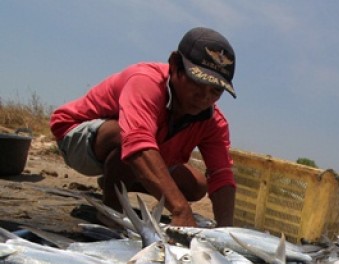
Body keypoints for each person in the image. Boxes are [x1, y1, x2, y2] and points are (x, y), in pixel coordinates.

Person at [50, 27, 237, 227]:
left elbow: (221, 174)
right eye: (197, 82)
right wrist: (180, 209)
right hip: (80, 140)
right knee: (126, 136)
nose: (205, 97)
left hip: (140, 149)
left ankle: (117, 180)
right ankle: (112, 212)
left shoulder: (213, 121)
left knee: (196, 184)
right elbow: (136, 140)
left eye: (216, 90)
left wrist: (226, 233)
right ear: (174, 65)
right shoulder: (145, 82)